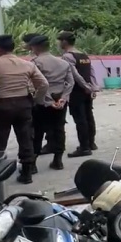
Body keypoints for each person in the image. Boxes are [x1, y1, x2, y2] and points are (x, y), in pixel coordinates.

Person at [0, 35, 48, 184]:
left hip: (0, 105)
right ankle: (27, 173)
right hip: (24, 104)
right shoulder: (27, 64)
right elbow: (43, 84)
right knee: (26, 137)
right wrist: (36, 100)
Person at [29, 35, 73, 170]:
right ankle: (58, 160)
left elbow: (39, 85)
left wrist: (47, 101)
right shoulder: (63, 63)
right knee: (59, 129)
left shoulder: (35, 63)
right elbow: (70, 82)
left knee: (37, 131)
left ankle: (32, 164)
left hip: (42, 101)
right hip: (60, 99)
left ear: (35, 47)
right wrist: (63, 98)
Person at [57, 31, 98, 158]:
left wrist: (86, 87)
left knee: (80, 119)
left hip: (77, 91)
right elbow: (91, 73)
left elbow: (74, 75)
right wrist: (92, 87)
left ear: (64, 41)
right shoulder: (83, 55)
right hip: (86, 91)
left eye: (59, 41)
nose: (58, 43)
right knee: (88, 116)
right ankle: (91, 143)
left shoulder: (68, 57)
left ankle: (84, 147)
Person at [23, 33, 54, 153]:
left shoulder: (34, 61)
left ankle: (34, 154)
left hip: (41, 96)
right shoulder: (58, 60)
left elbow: (37, 82)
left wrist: (36, 99)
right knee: (55, 124)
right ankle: (54, 147)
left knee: (38, 126)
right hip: (56, 95)